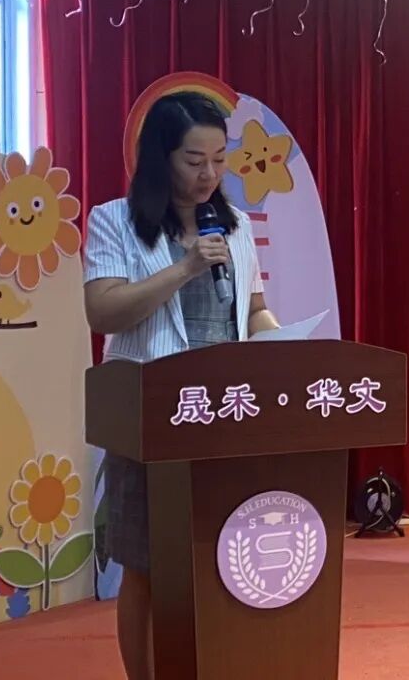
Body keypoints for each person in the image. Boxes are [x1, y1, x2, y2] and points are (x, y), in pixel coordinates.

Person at [83, 90, 279, 679]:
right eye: (195, 160)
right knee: (146, 566)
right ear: (160, 156)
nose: (209, 174)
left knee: (218, 559)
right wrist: (185, 267)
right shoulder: (115, 221)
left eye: (219, 159)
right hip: (151, 415)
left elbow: (254, 310)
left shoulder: (233, 225)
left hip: (224, 416)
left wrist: (286, 342)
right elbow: (104, 312)